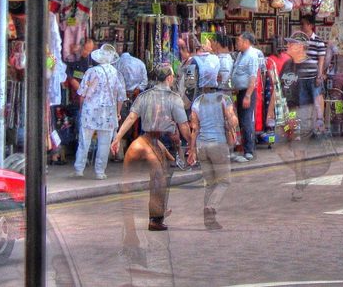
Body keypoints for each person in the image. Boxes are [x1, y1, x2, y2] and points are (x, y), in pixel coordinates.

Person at [111, 64, 195, 232]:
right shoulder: (173, 98)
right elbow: (184, 127)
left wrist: (117, 138)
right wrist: (192, 146)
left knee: (153, 180)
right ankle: (155, 220)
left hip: (145, 139)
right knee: (159, 181)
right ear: (169, 78)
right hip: (159, 140)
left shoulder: (144, 96)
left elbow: (131, 118)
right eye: (172, 76)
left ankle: (157, 213)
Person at [188, 80, 239, 230]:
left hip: (202, 146)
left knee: (209, 183)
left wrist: (191, 150)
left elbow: (194, 128)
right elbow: (233, 121)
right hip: (218, 145)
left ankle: (209, 222)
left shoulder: (197, 101)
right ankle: (210, 207)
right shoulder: (224, 99)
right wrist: (232, 120)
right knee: (224, 181)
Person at [73, 43, 127, 180]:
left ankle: (79, 169)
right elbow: (121, 96)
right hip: (108, 113)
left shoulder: (92, 72)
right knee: (104, 143)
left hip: (90, 111)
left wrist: (81, 108)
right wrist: (118, 112)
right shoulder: (116, 74)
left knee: (84, 140)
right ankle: (100, 171)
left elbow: (82, 92)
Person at [231, 31, 264, 162]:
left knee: (246, 120)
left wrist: (248, 96)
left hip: (247, 92)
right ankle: (245, 148)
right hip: (240, 92)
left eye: (239, 41)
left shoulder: (252, 55)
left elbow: (253, 78)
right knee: (241, 121)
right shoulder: (240, 54)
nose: (237, 43)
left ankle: (249, 150)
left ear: (246, 42)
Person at [300, 17, 329, 134]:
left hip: (313, 76)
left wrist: (319, 76)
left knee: (317, 101)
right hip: (302, 76)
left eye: (304, 24)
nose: (302, 26)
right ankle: (305, 127)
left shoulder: (318, 41)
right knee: (303, 102)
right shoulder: (300, 40)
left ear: (310, 25)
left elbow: (321, 60)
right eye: (302, 24)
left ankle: (318, 126)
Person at [180, 37, 221, 102]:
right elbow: (219, 77)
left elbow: (189, 85)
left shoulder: (192, 62)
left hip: (198, 99)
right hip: (213, 95)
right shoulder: (215, 58)